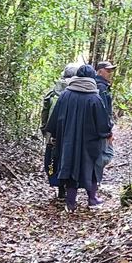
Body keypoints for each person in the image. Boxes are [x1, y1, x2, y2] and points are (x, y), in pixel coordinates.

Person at [45, 64, 112, 212]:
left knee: (69, 167)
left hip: (67, 141)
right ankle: (92, 199)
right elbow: (103, 124)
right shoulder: (95, 98)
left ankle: (70, 203)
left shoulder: (65, 95)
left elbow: (54, 120)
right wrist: (107, 134)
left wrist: (55, 136)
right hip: (90, 143)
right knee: (92, 168)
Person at [42, 65, 78, 200]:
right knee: (69, 160)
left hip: (52, 134)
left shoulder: (52, 93)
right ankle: (68, 187)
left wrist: (45, 130)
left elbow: (45, 113)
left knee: (52, 161)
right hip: (69, 134)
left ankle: (59, 188)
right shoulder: (76, 92)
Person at [94, 60, 117, 190]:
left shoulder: (102, 86)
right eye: (108, 70)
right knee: (103, 156)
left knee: (102, 155)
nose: (110, 73)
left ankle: (94, 184)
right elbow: (103, 111)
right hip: (100, 130)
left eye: (111, 71)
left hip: (99, 128)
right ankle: (95, 184)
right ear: (100, 71)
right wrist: (107, 131)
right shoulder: (101, 88)